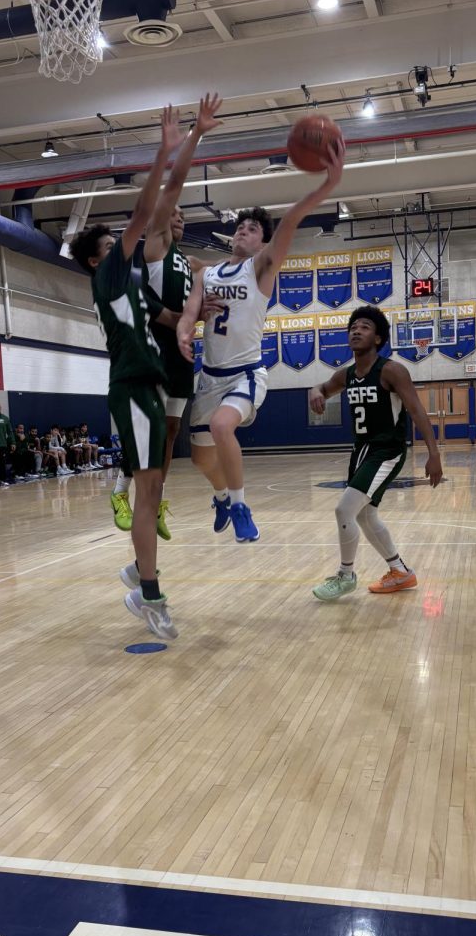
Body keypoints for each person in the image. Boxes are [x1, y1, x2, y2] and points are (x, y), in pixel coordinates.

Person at [71, 94, 222, 640]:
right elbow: (147, 209)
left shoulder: (132, 285)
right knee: (148, 488)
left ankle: (140, 573)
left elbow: (169, 201)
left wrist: (194, 140)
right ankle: (149, 596)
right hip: (132, 389)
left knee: (154, 493)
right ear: (97, 259)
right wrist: (165, 150)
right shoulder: (108, 277)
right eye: (114, 245)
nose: (124, 247)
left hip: (150, 388)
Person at [177, 141, 345, 543]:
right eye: (240, 227)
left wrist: (326, 185)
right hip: (210, 375)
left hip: (245, 374)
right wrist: (185, 332)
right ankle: (220, 496)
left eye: (252, 229)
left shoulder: (261, 268)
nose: (243, 231)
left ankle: (239, 505)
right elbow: (190, 312)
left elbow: (289, 221)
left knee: (222, 427)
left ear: (261, 243)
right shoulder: (208, 273)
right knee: (201, 457)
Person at [308, 306, 443, 600]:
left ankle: (345, 575)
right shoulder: (346, 375)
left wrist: (434, 454)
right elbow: (322, 387)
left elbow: (417, 411)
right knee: (366, 517)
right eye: (353, 327)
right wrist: (314, 391)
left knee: (344, 510)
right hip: (361, 451)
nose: (356, 330)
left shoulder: (392, 370)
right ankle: (400, 572)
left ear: (379, 338)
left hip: (387, 450)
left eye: (365, 326)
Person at [141, 202, 203, 541]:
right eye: (173, 212)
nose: (179, 217)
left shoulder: (190, 262)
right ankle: (125, 493)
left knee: (172, 428)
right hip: (156, 346)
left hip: (183, 351)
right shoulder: (155, 248)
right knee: (150, 427)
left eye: (183, 214)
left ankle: (156, 501)